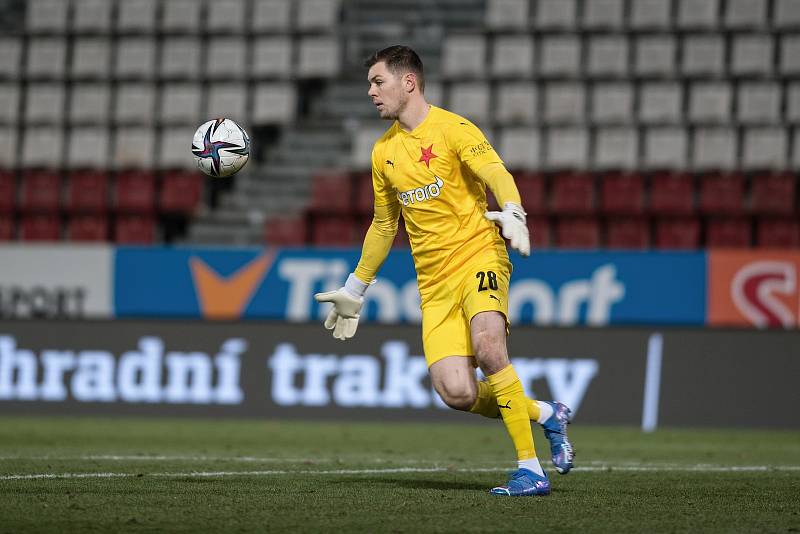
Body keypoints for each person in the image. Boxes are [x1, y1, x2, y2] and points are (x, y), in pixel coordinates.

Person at [314, 45, 574, 497]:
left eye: (378, 82)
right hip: (434, 284)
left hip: (479, 256)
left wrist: (513, 208)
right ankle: (546, 414)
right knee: (455, 391)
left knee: (490, 347)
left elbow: (494, 170)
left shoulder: (454, 129)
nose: (371, 92)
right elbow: (383, 224)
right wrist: (356, 287)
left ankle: (530, 470)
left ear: (408, 82)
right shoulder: (383, 153)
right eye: (370, 85)